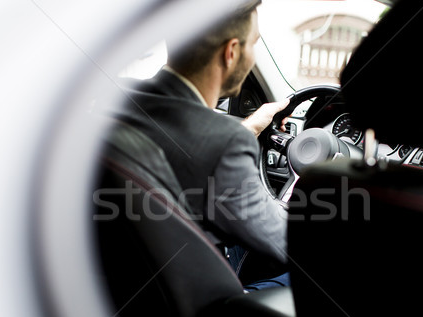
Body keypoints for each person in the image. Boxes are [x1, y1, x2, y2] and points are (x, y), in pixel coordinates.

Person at [109, 0, 289, 289]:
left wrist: (250, 127)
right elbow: (284, 242)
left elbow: (184, 142)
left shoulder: (118, 100)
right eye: (253, 44)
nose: (253, 55)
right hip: (201, 315)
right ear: (231, 53)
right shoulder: (225, 144)